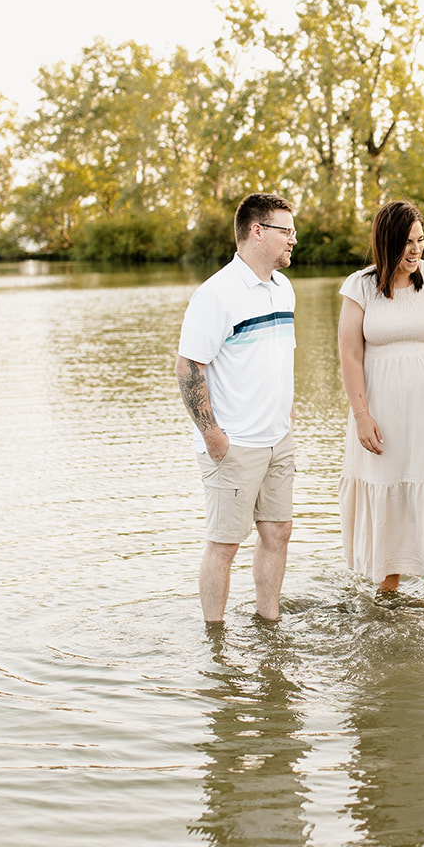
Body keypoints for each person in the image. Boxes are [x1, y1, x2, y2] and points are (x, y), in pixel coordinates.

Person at [175, 193, 298, 623]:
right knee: (225, 544)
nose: (293, 240)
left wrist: (288, 410)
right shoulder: (217, 294)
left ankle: (270, 621)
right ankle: (215, 635)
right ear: (256, 231)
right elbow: (188, 367)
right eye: (286, 231)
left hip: (278, 438)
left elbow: (280, 357)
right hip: (234, 443)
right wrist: (213, 436)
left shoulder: (284, 289)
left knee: (278, 532)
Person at [338, 200, 424, 597]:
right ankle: (387, 600)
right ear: (386, 243)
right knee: (387, 490)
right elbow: (350, 354)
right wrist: (361, 415)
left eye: (420, 240)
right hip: (382, 415)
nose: (415, 250)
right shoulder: (360, 286)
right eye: (406, 242)